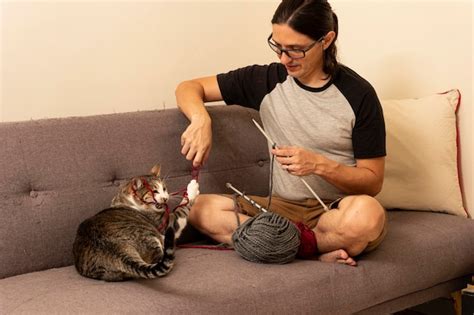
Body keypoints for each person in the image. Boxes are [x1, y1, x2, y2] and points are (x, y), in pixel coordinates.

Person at [175, 0, 387, 266]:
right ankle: (311, 248)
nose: (284, 59)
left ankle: (279, 243)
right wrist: (200, 119)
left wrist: (320, 165)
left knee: (366, 217)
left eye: (296, 50)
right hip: (281, 210)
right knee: (197, 208)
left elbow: (372, 182)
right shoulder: (266, 80)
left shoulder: (359, 94)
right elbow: (188, 87)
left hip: (334, 212)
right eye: (278, 47)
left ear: (326, 40)